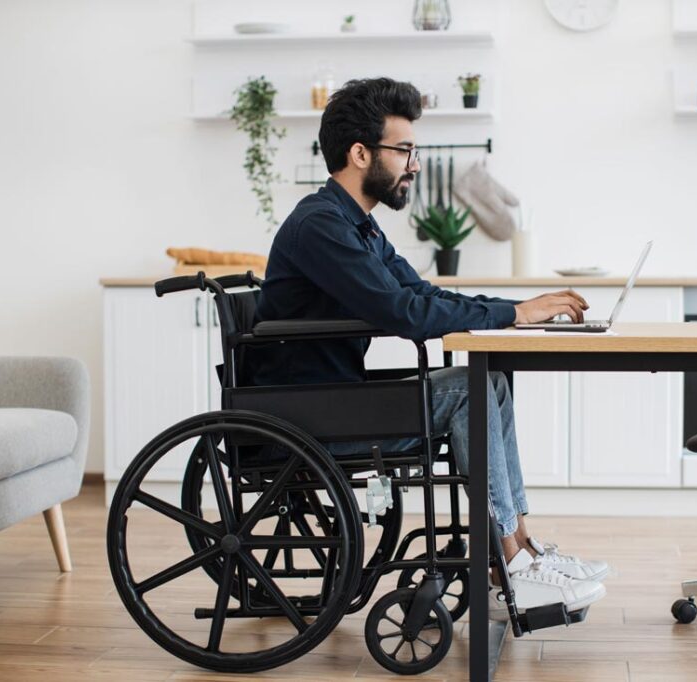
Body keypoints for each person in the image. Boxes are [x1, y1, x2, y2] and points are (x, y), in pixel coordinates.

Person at [250, 77, 608, 616]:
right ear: (360, 153)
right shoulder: (321, 226)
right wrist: (517, 313)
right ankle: (510, 559)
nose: (414, 164)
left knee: (488, 380)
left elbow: (421, 293)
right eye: (405, 151)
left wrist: (517, 307)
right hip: (308, 414)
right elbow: (405, 315)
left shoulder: (356, 226)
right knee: (470, 388)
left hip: (333, 400)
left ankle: (522, 547)